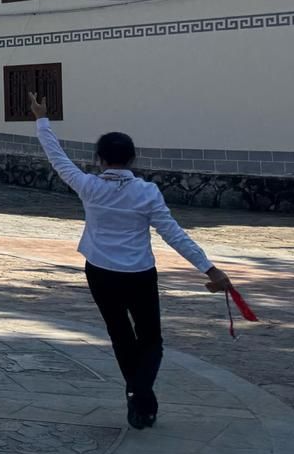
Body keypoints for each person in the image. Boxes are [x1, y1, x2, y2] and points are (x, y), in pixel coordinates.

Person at [29, 93, 232, 430]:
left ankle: (138, 397)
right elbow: (174, 234)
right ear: (133, 158)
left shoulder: (88, 186)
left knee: (121, 334)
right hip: (139, 273)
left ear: (99, 159)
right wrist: (209, 269)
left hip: (100, 272)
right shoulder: (147, 192)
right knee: (151, 340)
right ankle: (141, 396)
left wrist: (42, 120)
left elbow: (57, 157)